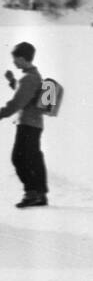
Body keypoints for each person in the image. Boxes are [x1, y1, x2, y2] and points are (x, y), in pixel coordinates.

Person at [1, 42, 49, 208]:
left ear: (22, 58)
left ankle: (32, 193)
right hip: (34, 124)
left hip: (28, 125)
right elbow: (26, 95)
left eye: (15, 59)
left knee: (19, 158)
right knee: (33, 158)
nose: (14, 62)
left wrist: (1, 113)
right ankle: (40, 194)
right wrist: (13, 81)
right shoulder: (33, 76)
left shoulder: (29, 78)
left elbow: (17, 102)